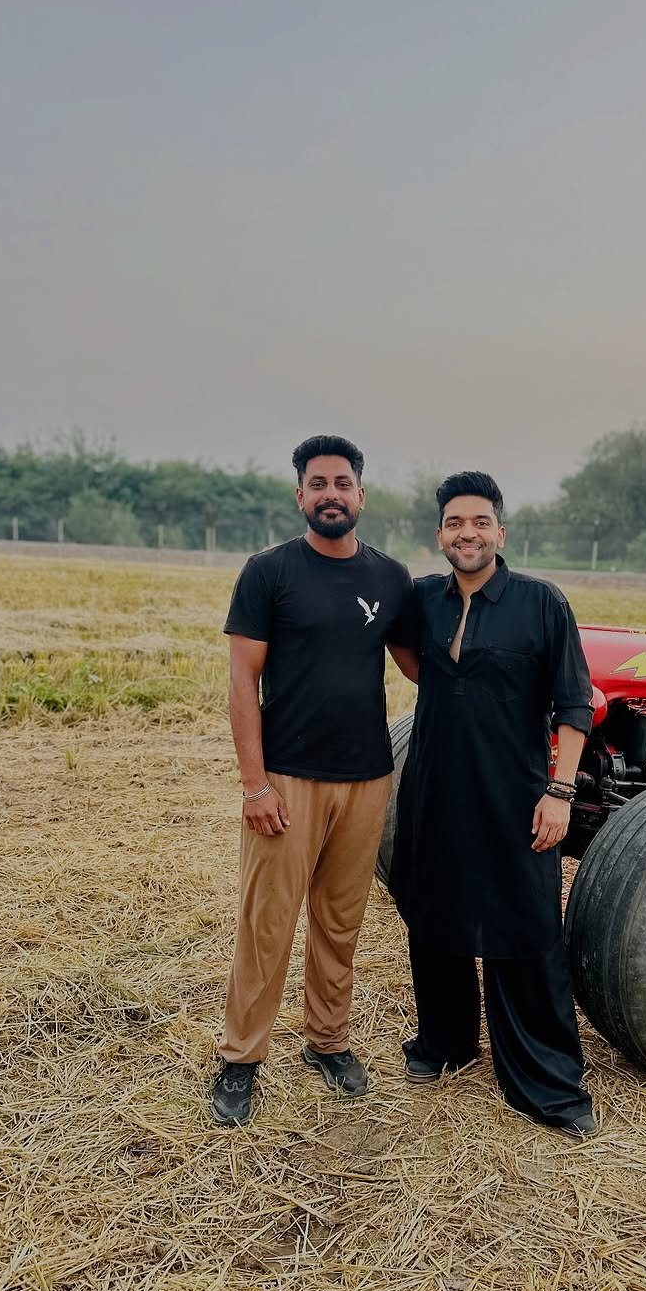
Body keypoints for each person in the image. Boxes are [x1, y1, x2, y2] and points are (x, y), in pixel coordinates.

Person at [211, 434, 418, 1127]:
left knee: (340, 921)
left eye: (342, 483)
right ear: (300, 495)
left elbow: (420, 666)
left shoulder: (389, 578)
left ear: (361, 494)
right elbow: (242, 681)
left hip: (367, 778)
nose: (331, 494)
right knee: (266, 923)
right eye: (318, 484)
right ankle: (241, 1057)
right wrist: (254, 784)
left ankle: (327, 1042)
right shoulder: (269, 573)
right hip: (287, 778)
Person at [389, 471, 597, 1139]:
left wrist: (560, 791)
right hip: (434, 785)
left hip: (516, 792)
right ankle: (446, 1043)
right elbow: (408, 654)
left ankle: (547, 1083)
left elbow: (574, 702)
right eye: (454, 523)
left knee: (526, 927)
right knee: (434, 911)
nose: (467, 533)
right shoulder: (423, 598)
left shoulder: (540, 602)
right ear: (439, 535)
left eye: (479, 522)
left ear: (500, 532)